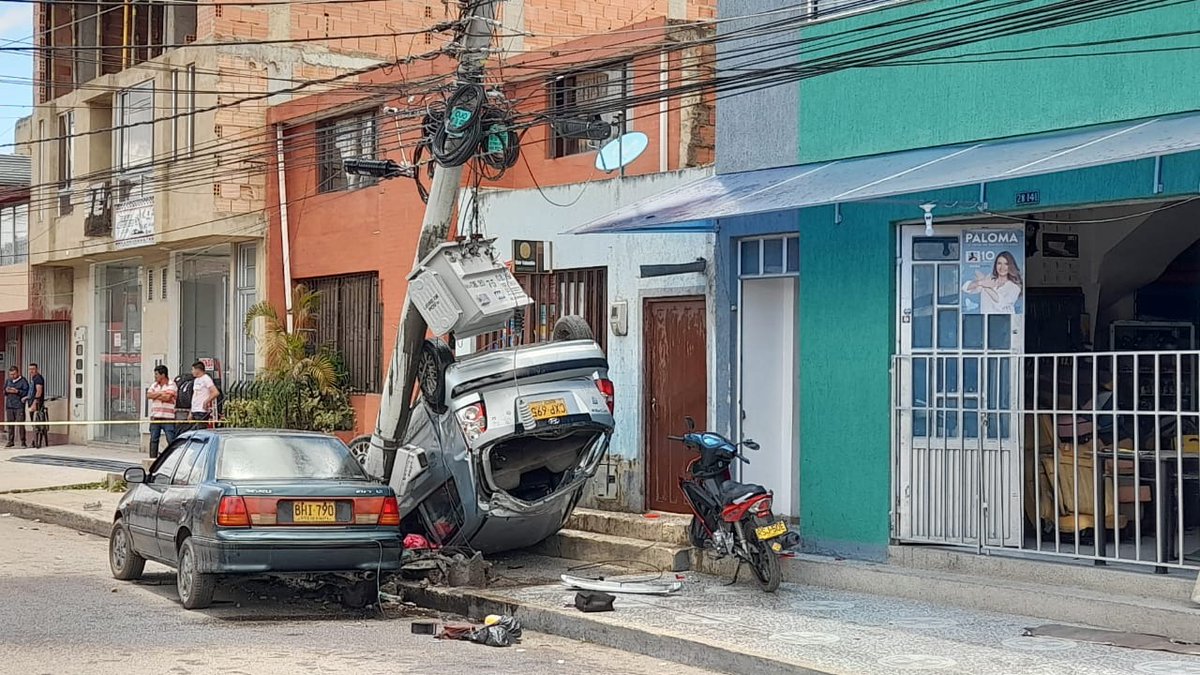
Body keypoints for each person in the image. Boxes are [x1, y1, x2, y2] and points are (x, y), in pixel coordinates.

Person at [146, 365, 178, 459]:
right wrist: (160, 393)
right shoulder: (154, 385)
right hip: (155, 417)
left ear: (163, 375)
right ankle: (152, 459)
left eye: (156, 374)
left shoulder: (172, 384)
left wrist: (155, 395)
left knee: (171, 439)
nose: (155, 376)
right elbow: (148, 395)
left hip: (168, 417)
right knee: (153, 439)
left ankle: (173, 458)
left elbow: (167, 398)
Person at [188, 361, 219, 428]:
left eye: (193, 369)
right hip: (194, 410)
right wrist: (191, 411)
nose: (192, 371)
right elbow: (194, 396)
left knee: (200, 430)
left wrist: (206, 402)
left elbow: (215, 392)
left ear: (198, 370)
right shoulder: (196, 380)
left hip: (201, 411)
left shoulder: (206, 379)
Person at [4, 366, 29, 448]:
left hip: (19, 406)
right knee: (10, 424)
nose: (12, 376)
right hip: (9, 405)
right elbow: (4, 391)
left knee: (20, 424)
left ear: (18, 372)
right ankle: (10, 441)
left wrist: (17, 391)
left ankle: (23, 441)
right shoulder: (8, 381)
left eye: (14, 374)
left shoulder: (23, 381)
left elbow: (26, 392)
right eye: (11, 374)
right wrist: (7, 390)